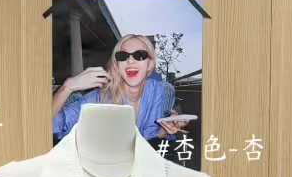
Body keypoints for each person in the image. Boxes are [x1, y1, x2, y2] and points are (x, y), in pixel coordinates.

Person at [51, 34, 193, 143]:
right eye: (123, 56)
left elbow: (152, 136)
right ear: (117, 65)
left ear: (150, 64)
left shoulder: (159, 91)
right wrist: (67, 87)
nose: (130, 60)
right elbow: (51, 124)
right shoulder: (98, 97)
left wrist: (167, 128)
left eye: (140, 55)